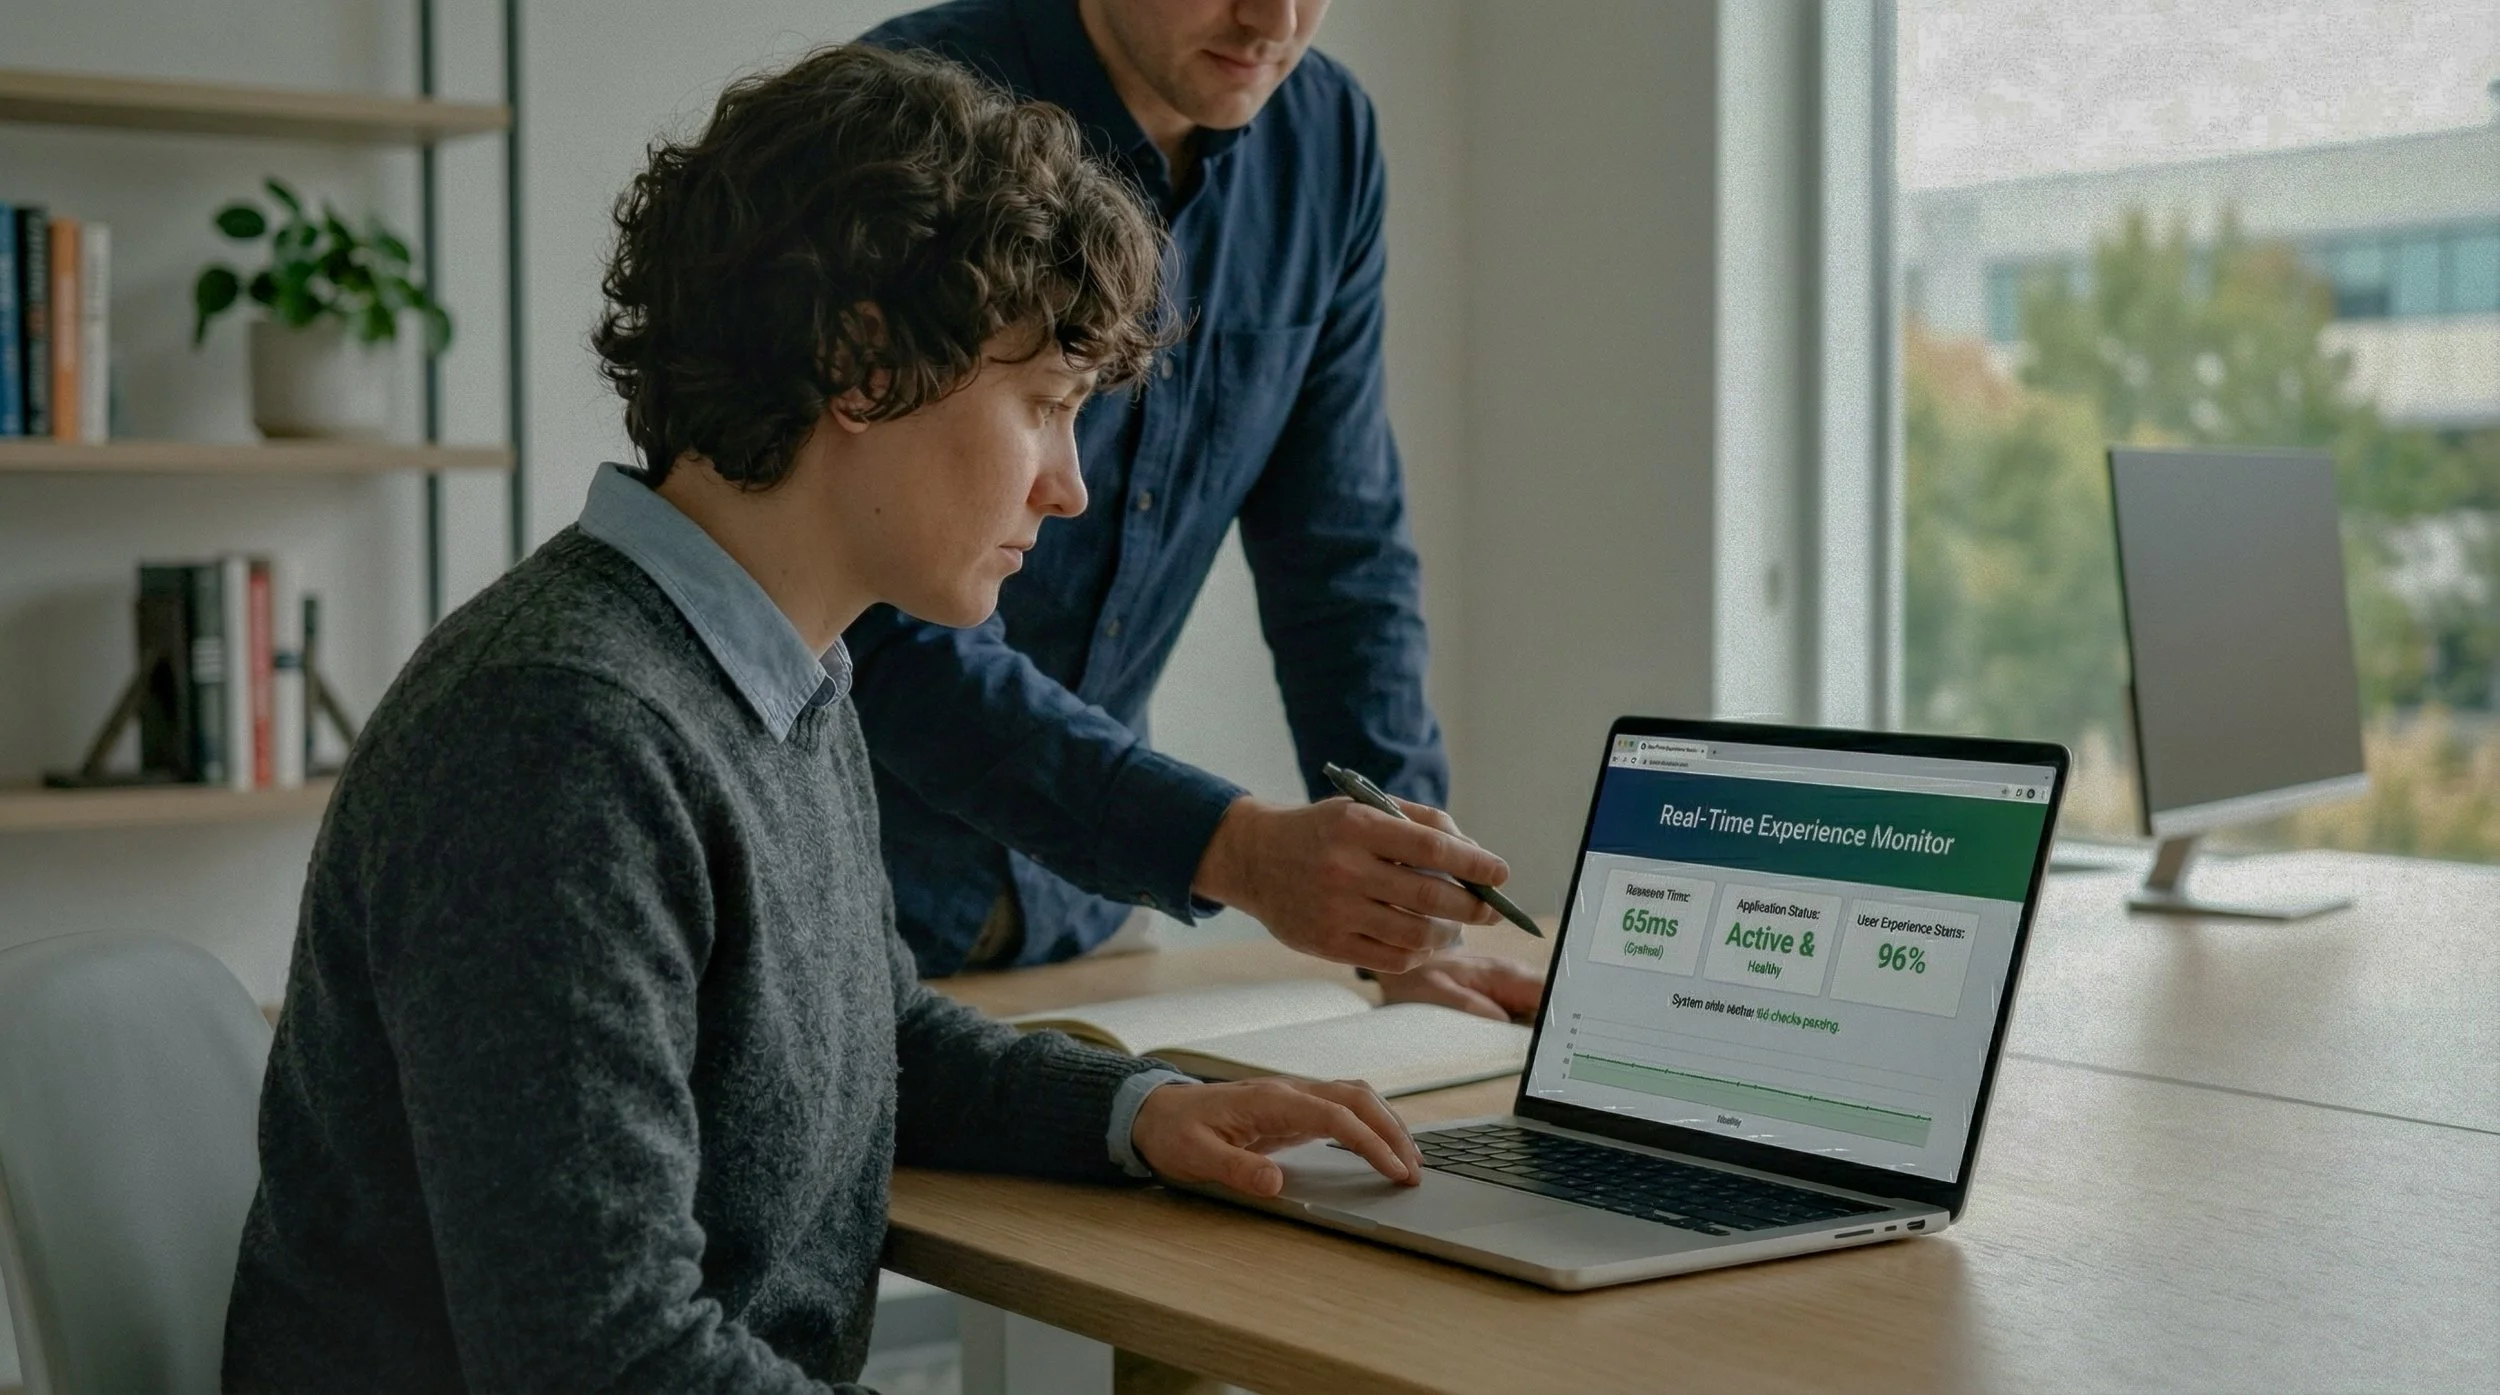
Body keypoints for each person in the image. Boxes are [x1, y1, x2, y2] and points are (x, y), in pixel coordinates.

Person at [221, 43, 1421, 1394]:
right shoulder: (560, 736)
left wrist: (1142, 1109)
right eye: (1045, 407)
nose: (1070, 486)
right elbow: (604, 1362)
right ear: (863, 364)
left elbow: (864, 1030)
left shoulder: (769, 665)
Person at [853, 0, 1546, 1021]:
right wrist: (1231, 849)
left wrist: (1405, 912)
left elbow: (1341, 559)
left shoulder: (1325, 143)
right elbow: (875, 611)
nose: (1275, 18)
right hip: (852, 905)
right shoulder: (910, 119)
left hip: (1088, 932)